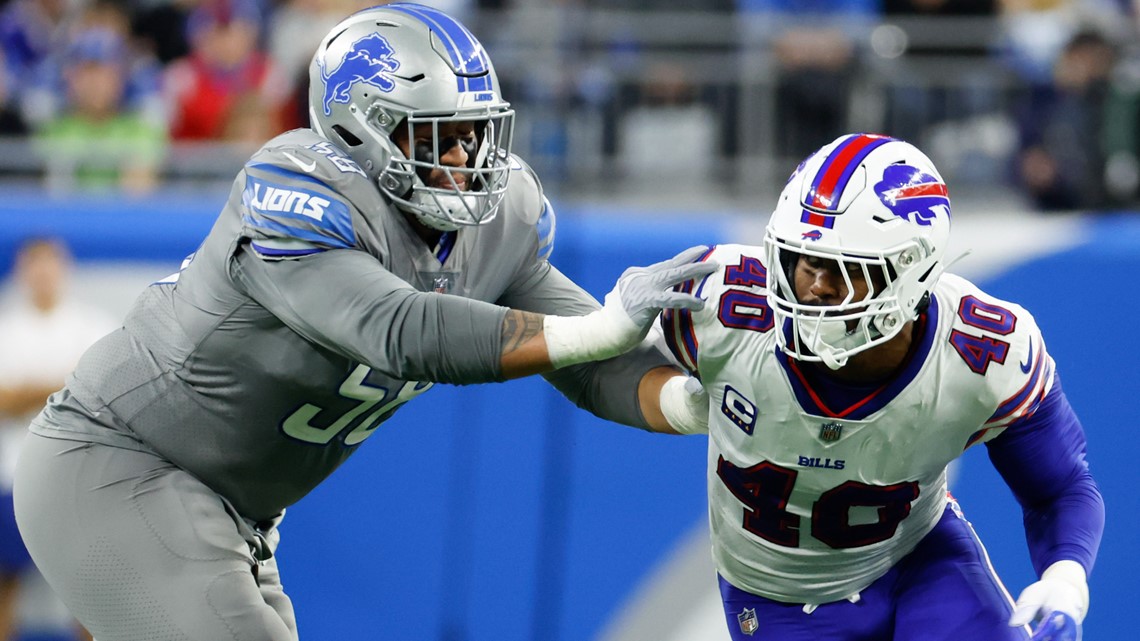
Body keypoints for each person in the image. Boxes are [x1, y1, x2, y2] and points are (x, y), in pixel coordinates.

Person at [11, 4, 714, 640]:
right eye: (438, 136)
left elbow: (590, 360)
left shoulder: (498, 222)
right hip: (120, 463)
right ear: (359, 130)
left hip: (234, 511)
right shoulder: (298, 188)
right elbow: (399, 328)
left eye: (474, 134)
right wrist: (607, 324)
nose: (466, 160)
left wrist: (705, 403)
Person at [659, 133, 1104, 640]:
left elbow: (1060, 487)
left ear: (910, 272)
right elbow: (600, 372)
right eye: (807, 261)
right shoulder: (721, 303)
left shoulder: (981, 350)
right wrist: (670, 401)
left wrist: (1067, 577)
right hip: (777, 594)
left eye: (847, 269)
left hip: (918, 561)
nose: (818, 287)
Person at [0, 238, 112, 641]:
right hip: (13, 478)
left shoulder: (93, 327)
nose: (43, 274)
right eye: (35, 265)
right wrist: (63, 384)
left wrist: (29, 390)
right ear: (22, 271)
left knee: (89, 592)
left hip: (79, 480)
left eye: (50, 265)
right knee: (5, 585)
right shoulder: (6, 329)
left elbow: (103, 398)